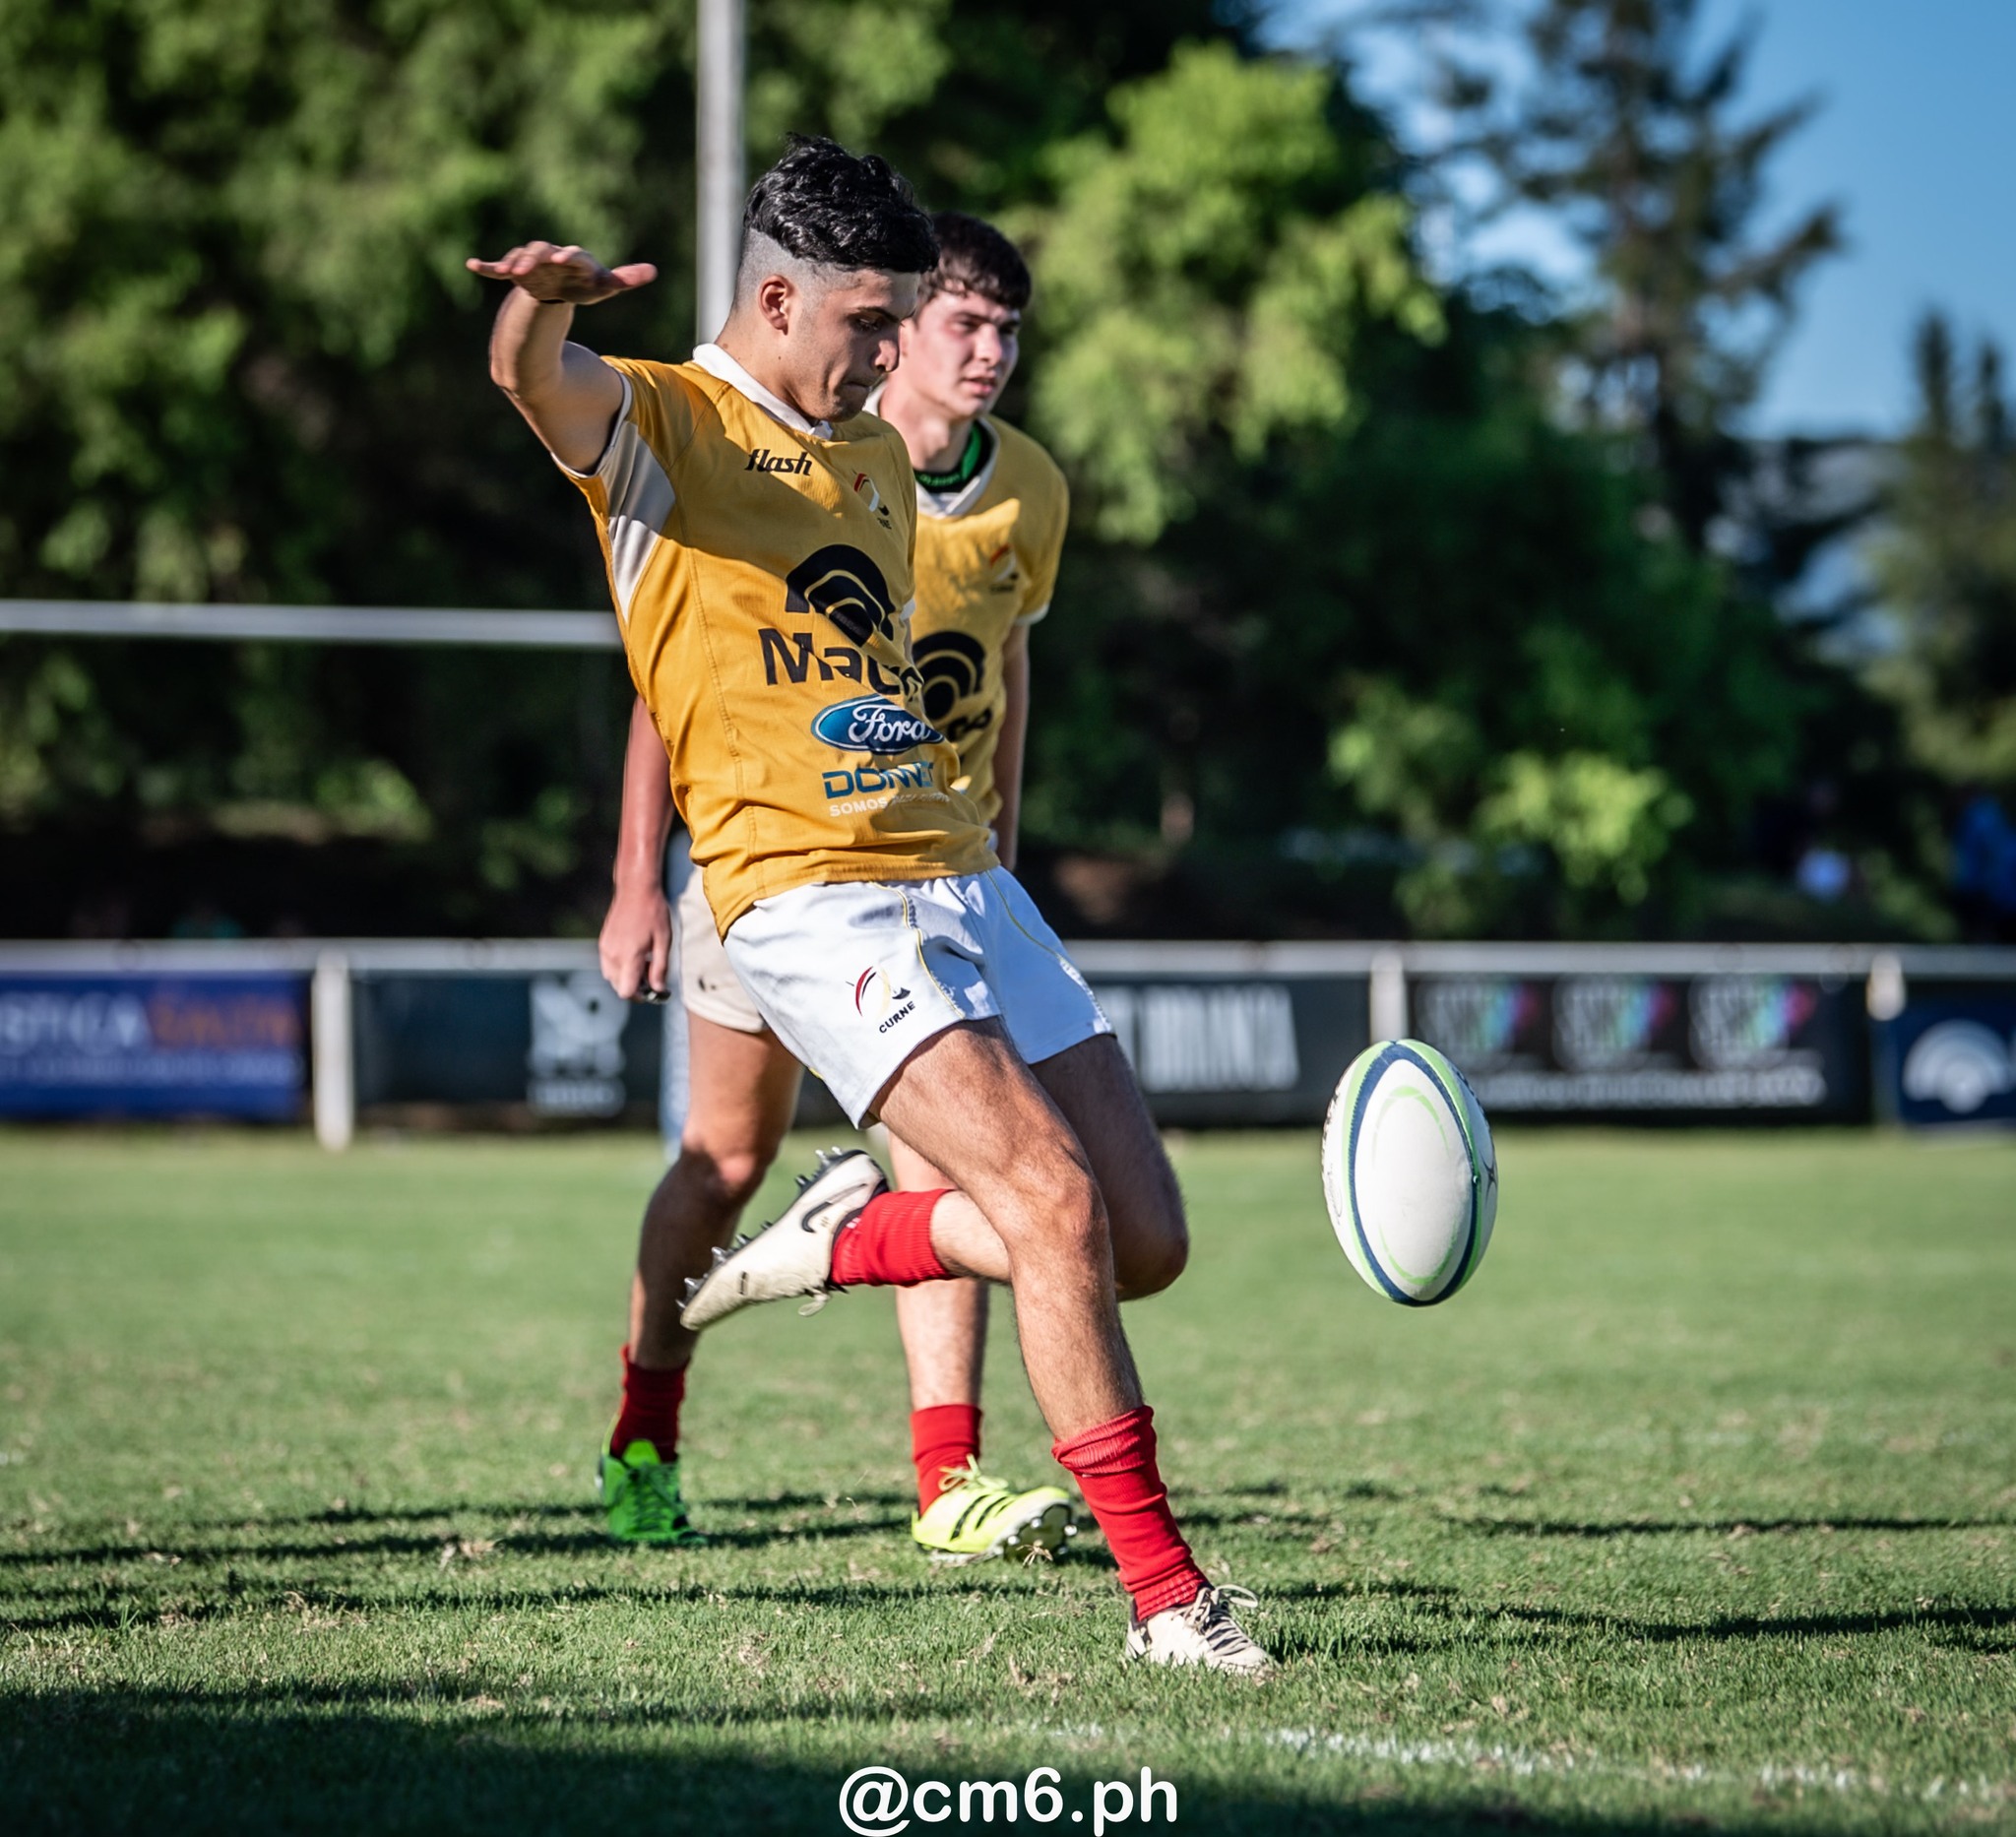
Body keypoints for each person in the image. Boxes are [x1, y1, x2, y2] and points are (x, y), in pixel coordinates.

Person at [469, 135, 1273, 1675]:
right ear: (778, 296)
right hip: (804, 895)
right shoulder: (667, 421)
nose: (898, 355)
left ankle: (856, 1232)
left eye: (914, 323)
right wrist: (538, 313)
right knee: (1042, 1204)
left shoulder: (880, 461)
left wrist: (996, 858)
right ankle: (1169, 1597)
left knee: (1145, 1235)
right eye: (873, 325)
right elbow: (536, 386)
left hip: (959, 869)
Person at [595, 212, 1079, 1566]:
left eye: (1007, 330)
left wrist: (1005, 839)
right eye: (961, 323)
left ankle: (948, 1476)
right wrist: (639, 877)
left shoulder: (1028, 489)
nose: (987, 351)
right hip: (769, 868)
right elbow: (671, 676)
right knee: (724, 1165)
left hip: (929, 875)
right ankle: (644, 1429)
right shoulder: (792, 462)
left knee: (953, 1155)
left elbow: (1011, 665)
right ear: (903, 328)